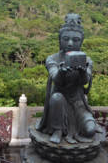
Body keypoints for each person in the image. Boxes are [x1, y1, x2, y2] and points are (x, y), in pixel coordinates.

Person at [36, 13, 98, 144]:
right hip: (58, 103)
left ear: (81, 42)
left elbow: (85, 81)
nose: (70, 43)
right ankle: (57, 129)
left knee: (90, 130)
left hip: (78, 103)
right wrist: (61, 72)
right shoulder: (52, 59)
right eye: (65, 39)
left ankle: (80, 126)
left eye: (75, 40)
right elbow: (55, 78)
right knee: (57, 97)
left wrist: (82, 72)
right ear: (60, 40)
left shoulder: (87, 60)